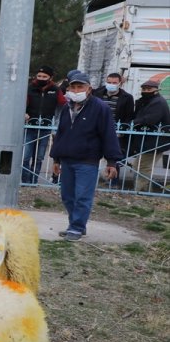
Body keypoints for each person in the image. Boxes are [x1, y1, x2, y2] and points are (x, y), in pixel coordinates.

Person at [50, 72, 122, 240]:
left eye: (80, 87)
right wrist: (56, 158)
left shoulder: (100, 107)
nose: (76, 90)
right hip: (67, 159)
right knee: (67, 196)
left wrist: (112, 161)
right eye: (73, 87)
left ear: (89, 89)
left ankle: (76, 227)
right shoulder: (66, 108)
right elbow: (60, 134)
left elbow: (108, 134)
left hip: (87, 161)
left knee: (82, 196)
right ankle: (75, 225)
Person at [22, 66, 66, 184]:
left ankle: (33, 181)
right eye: (39, 76)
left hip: (45, 127)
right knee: (26, 156)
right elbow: (22, 103)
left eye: (44, 76)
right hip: (30, 126)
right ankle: (24, 181)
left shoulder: (55, 90)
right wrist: (24, 113)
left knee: (39, 157)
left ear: (50, 77)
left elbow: (63, 103)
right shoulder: (30, 88)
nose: (41, 78)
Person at [129, 79, 170, 192]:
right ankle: (144, 190)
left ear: (157, 90)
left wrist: (133, 123)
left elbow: (149, 119)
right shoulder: (148, 101)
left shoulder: (158, 102)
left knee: (142, 167)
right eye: (144, 89)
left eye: (149, 89)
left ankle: (138, 191)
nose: (146, 91)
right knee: (139, 166)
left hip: (154, 141)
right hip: (148, 141)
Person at [93, 72, 135, 165]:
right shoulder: (97, 94)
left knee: (113, 160)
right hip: (96, 130)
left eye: (114, 83)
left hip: (114, 132)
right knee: (92, 157)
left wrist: (121, 132)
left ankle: (112, 179)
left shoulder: (127, 98)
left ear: (120, 83)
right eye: (109, 82)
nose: (111, 85)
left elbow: (129, 116)